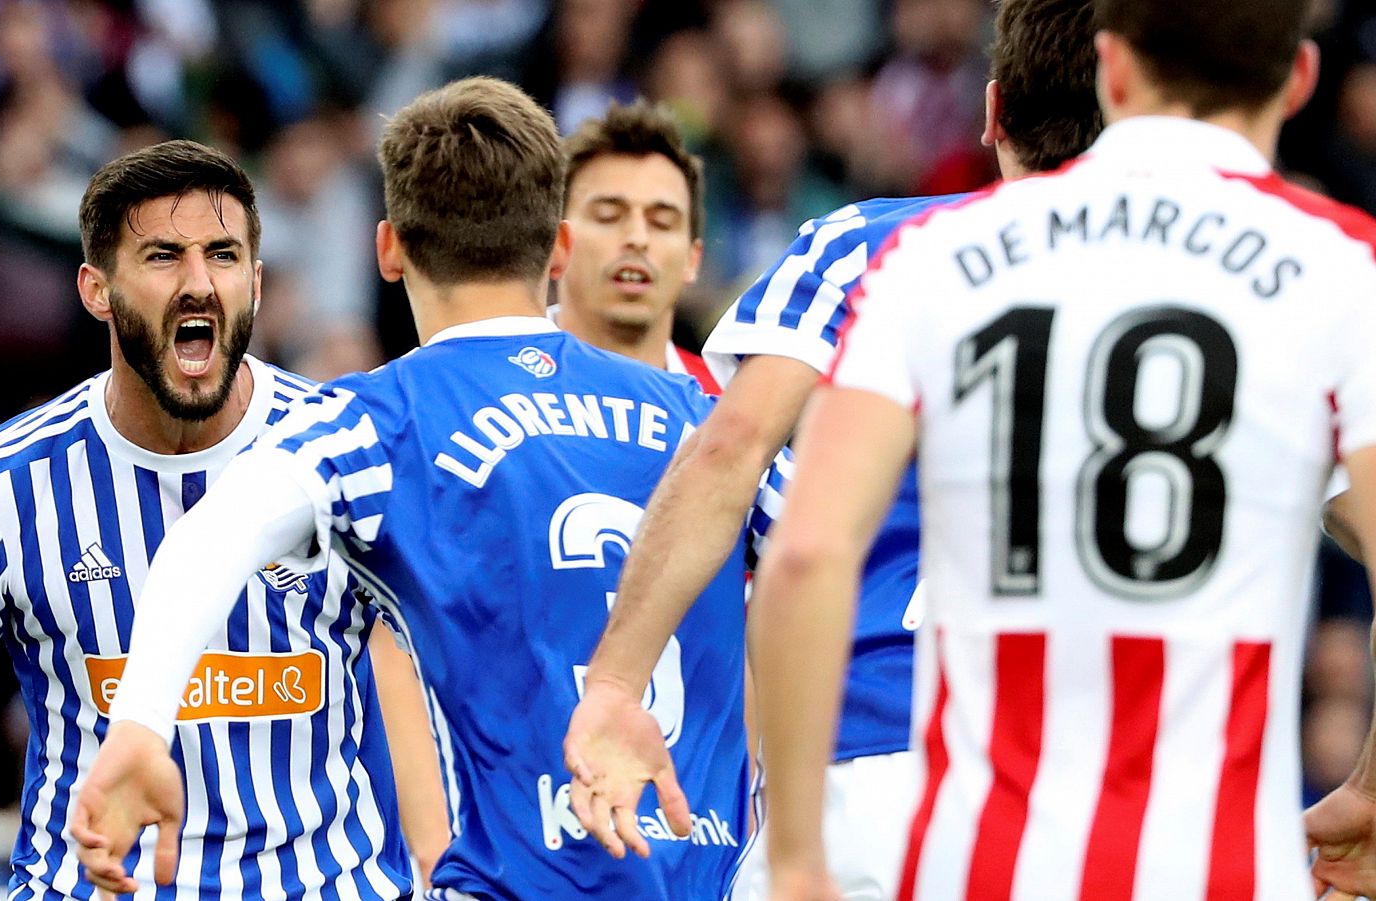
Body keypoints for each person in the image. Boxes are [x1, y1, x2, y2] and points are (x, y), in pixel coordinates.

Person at [580, 0, 1376, 896]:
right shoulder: (1319, 274)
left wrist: (620, 685)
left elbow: (763, 497)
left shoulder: (905, 252)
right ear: (1298, 80)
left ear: (994, 112)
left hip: (896, 788)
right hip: (1177, 819)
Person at [69, 76, 783, 900]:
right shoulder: (701, 419)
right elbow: (838, 555)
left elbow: (208, 535)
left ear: (389, 248)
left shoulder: (375, 424)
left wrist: (138, 728)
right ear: (559, 248)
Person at [561, 1, 1103, 898]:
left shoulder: (866, 247)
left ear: (993, 110)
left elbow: (730, 450)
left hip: (873, 779)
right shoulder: (1218, 305)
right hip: (1104, 791)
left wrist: (617, 681)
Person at [0, 140, 413, 901]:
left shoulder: (352, 449)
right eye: (163, 257)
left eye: (223, 254)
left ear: (257, 280)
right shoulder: (6, 483)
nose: (199, 284)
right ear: (96, 288)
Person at [554, 100, 720, 393]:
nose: (637, 239)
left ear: (692, 260)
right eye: (608, 216)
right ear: (556, 243)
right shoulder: (485, 378)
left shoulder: (722, 411)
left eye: (661, 223)